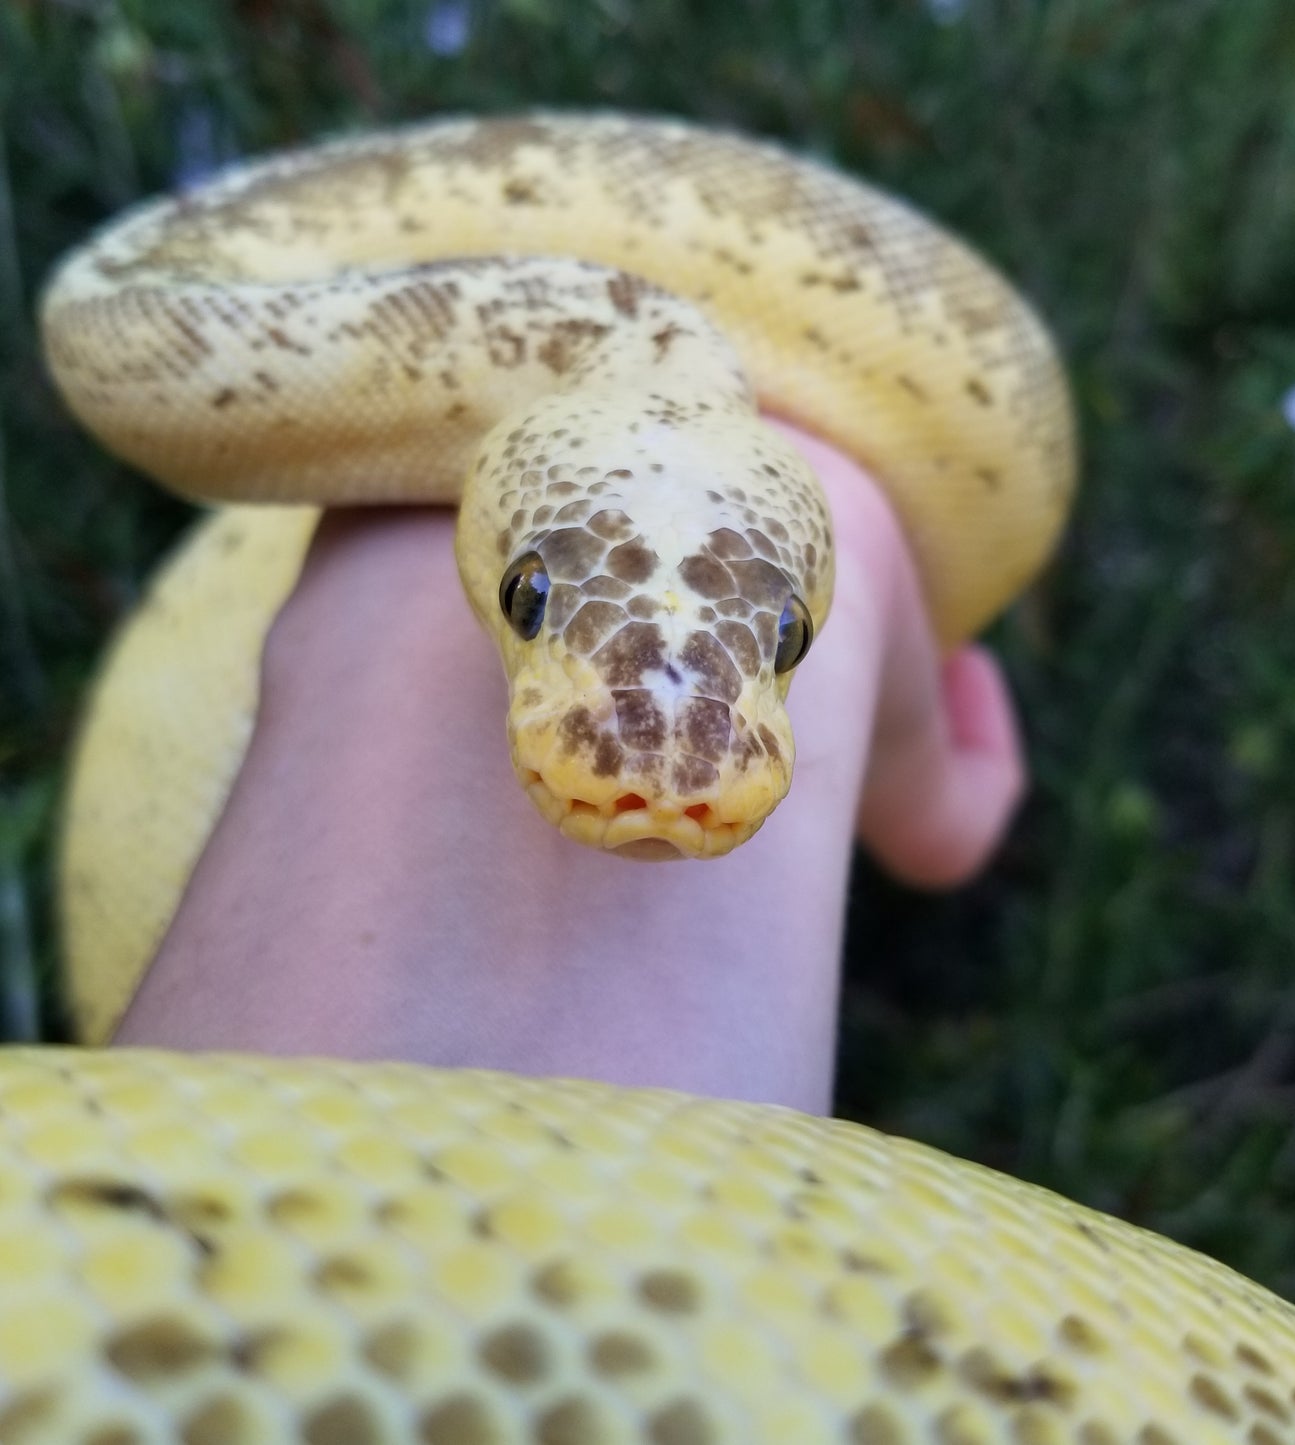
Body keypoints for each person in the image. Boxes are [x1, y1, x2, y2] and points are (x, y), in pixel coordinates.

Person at [114, 423, 1026, 1116]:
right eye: (530, 600)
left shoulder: (392, 490)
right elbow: (928, 814)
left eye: (784, 638)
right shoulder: (842, 513)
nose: (653, 779)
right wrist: (943, 818)